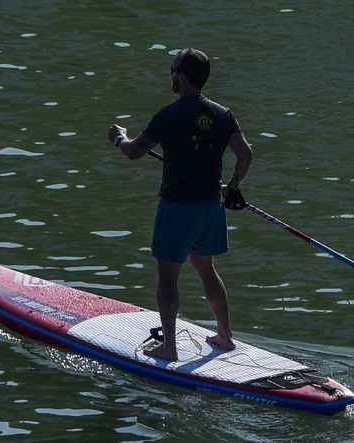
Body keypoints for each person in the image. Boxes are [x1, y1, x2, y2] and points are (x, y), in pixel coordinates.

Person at [107, 48, 253, 362]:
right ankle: (225, 336)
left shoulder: (168, 115)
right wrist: (233, 188)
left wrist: (119, 138)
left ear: (182, 76)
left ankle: (169, 347)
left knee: (168, 278)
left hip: (177, 209)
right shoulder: (222, 114)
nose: (171, 74)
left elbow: (134, 152)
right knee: (206, 270)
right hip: (210, 209)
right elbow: (246, 154)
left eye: (173, 69)